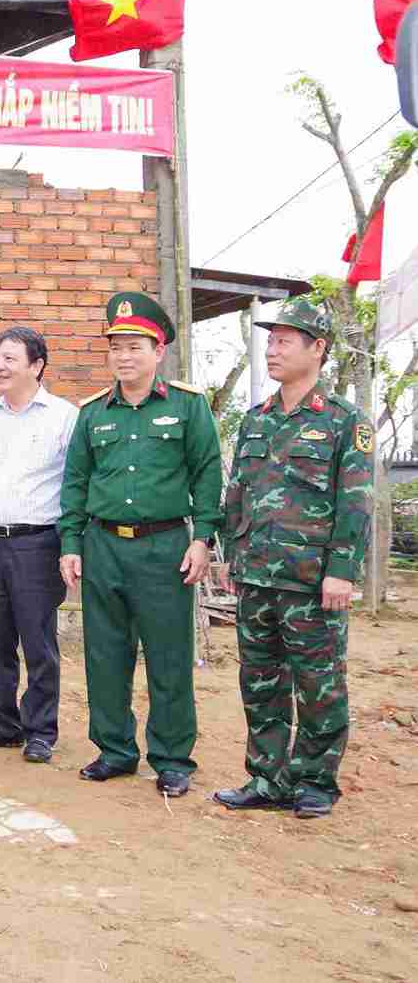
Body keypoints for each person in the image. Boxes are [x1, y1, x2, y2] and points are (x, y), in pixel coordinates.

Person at [58, 293, 223, 799]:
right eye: (116, 347)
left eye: (135, 346)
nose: (124, 356)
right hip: (103, 545)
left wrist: (201, 540)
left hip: (165, 547)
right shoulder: (92, 414)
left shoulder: (188, 407)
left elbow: (208, 473)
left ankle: (172, 757)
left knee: (169, 654)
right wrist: (71, 541)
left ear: (158, 351)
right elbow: (76, 482)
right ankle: (114, 750)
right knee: (105, 653)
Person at [213, 297, 372, 819]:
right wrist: (231, 555)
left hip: (312, 582)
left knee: (318, 685)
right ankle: (267, 777)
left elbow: (355, 502)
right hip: (256, 577)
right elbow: (237, 492)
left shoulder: (345, 421)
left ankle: (315, 781)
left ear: (317, 348)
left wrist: (342, 573)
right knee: (260, 681)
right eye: (270, 341)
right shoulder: (257, 420)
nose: (272, 350)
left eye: (284, 341)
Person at [0, 326, 76, 763]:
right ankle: (5, 721)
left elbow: (75, 485)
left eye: (9, 358)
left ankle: (41, 729)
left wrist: (70, 545)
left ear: (36, 366)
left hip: (38, 544)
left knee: (38, 640)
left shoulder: (63, 417)